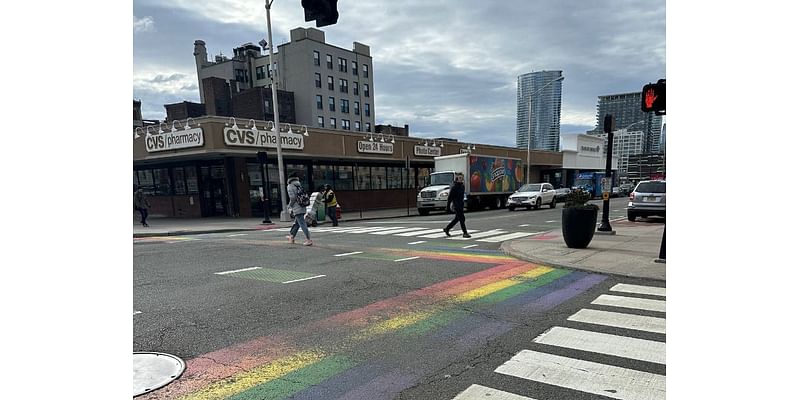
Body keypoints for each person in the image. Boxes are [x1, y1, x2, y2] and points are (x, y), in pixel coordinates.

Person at [286, 176, 313, 246]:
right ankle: (291, 236)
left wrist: (289, 206)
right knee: (297, 222)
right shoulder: (298, 184)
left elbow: (292, 198)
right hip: (302, 205)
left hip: (296, 207)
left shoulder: (290, 186)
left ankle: (308, 239)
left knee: (302, 223)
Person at [443, 173, 471, 238]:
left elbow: (462, 196)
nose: (461, 179)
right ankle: (465, 233)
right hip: (456, 205)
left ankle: (447, 229)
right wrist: (447, 207)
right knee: (462, 219)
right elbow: (450, 198)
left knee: (457, 219)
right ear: (457, 179)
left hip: (461, 205)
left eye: (462, 178)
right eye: (460, 178)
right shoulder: (454, 187)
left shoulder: (462, 186)